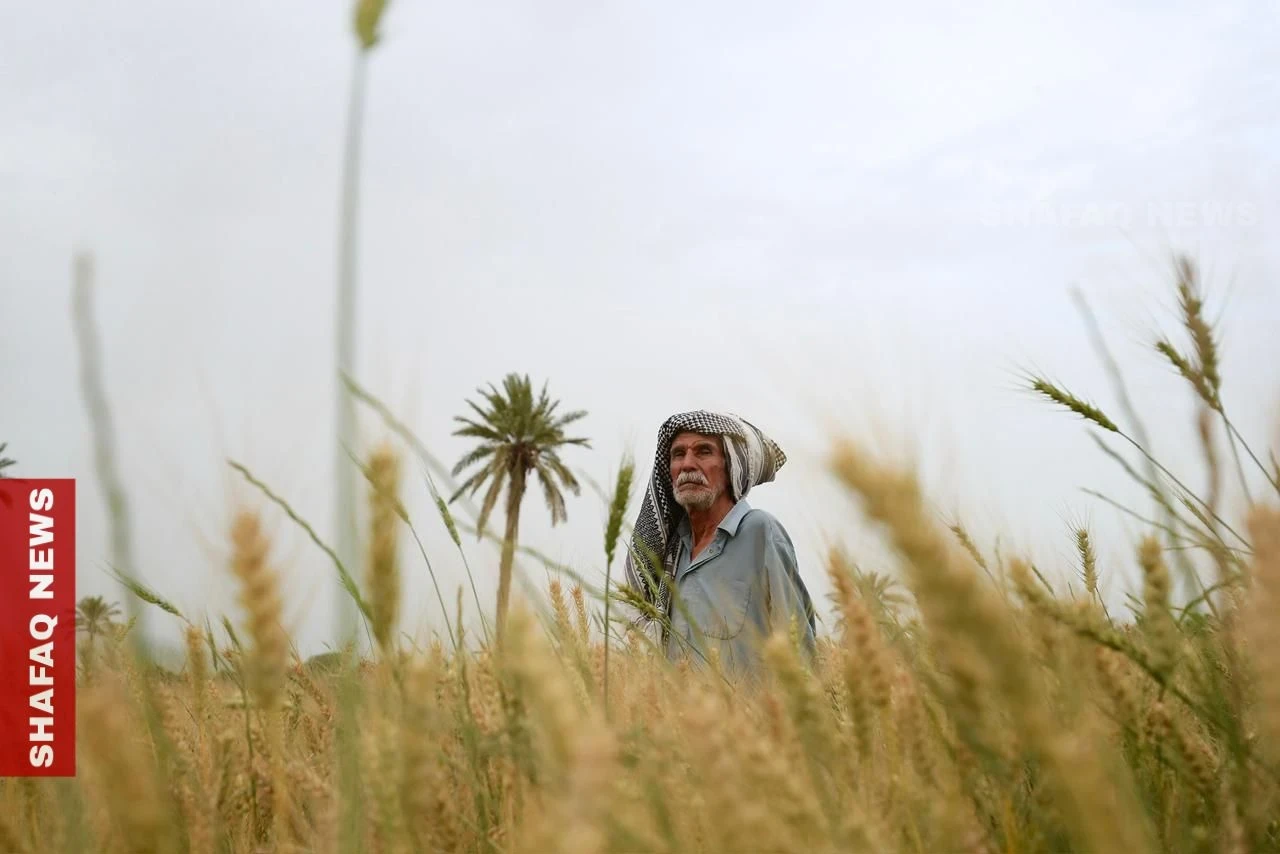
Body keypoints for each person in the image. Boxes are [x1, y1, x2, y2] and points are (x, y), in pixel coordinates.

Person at [623, 410, 816, 679]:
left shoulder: (760, 533)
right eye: (678, 454)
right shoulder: (667, 553)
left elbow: (798, 650)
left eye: (703, 452)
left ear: (732, 468)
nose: (687, 464)